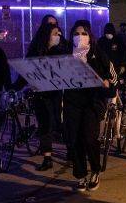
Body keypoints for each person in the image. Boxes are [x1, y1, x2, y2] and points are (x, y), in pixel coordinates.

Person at [64, 20, 116, 192]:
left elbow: (109, 74)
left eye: (84, 34)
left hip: (92, 102)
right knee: (75, 140)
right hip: (72, 102)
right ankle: (80, 174)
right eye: (76, 34)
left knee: (89, 137)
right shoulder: (66, 53)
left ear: (90, 36)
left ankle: (95, 170)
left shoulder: (97, 53)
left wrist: (107, 82)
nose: (80, 37)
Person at [13, 23, 67, 170]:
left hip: (57, 94)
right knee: (44, 125)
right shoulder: (35, 52)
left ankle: (71, 151)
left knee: (59, 123)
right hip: (41, 94)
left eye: (59, 33)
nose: (58, 36)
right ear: (47, 35)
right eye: (55, 33)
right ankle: (47, 157)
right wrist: (16, 86)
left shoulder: (62, 51)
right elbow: (26, 72)